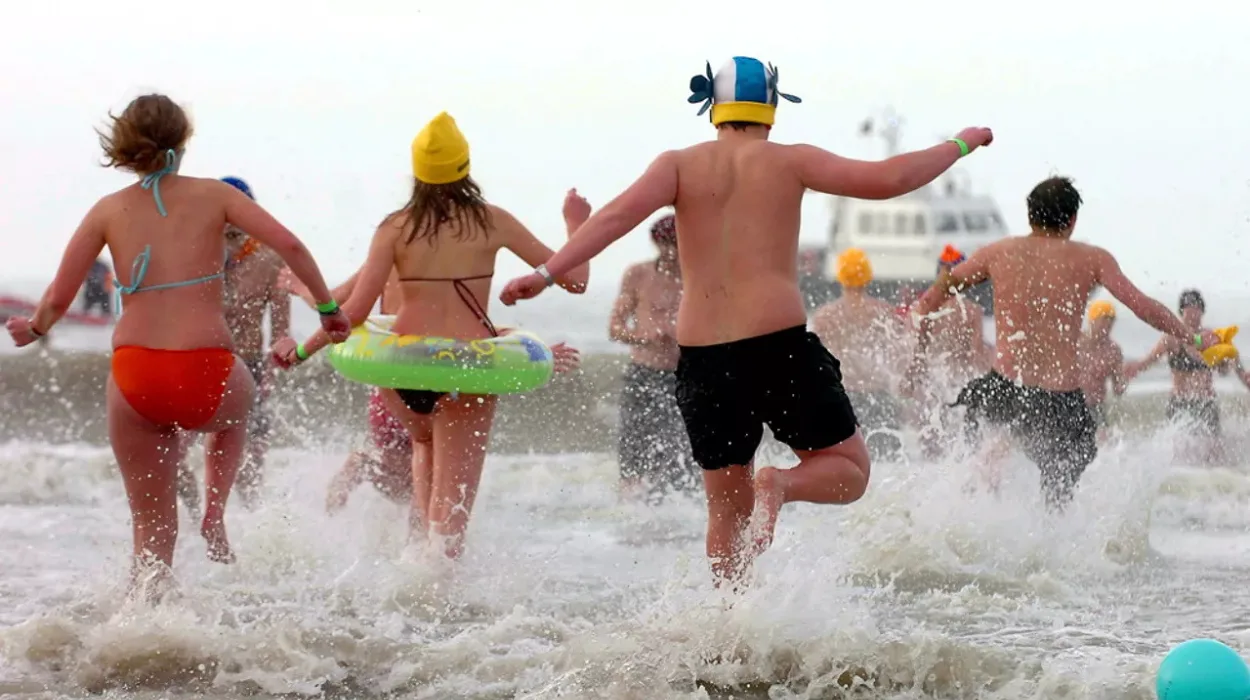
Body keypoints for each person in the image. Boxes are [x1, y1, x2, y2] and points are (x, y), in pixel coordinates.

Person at [499, 55, 995, 585]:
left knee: (725, 514)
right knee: (850, 473)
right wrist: (960, 143)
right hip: (776, 346)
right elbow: (889, 178)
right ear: (773, 107)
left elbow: (617, 218)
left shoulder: (677, 164)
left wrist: (549, 274)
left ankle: (730, 625)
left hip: (703, 359)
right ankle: (781, 485)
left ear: (713, 108)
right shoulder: (791, 161)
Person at [3, 94, 348, 591]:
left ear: (124, 150)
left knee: (151, 529)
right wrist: (328, 311)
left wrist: (33, 329)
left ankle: (142, 625)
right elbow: (290, 245)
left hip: (134, 375)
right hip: (207, 368)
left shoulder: (106, 210)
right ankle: (214, 513)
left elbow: (58, 296)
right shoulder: (217, 196)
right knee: (239, 409)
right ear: (184, 139)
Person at [271, 112, 590, 560]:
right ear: (465, 167)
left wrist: (301, 350)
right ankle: (438, 597)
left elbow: (351, 314)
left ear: (417, 173)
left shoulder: (394, 228)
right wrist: (577, 224)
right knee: (451, 523)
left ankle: (413, 575)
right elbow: (575, 277)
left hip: (403, 368)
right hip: (466, 368)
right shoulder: (492, 221)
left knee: (423, 448)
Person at [905, 177, 1219, 511]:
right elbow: (1142, 306)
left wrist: (919, 357)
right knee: (1058, 494)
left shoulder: (997, 253)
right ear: (1072, 220)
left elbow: (928, 303)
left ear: (1030, 216)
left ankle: (970, 529)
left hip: (1005, 387)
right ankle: (1046, 544)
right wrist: (1193, 337)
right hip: (1060, 398)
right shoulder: (1092, 258)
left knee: (983, 469)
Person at [607, 212, 697, 498]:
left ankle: (680, 516)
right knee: (633, 447)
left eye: (676, 243)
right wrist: (643, 337)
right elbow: (615, 327)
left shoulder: (701, 277)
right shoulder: (639, 275)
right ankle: (629, 512)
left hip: (688, 375)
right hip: (644, 371)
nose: (670, 251)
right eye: (664, 244)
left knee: (685, 454)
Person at [810, 248, 909, 461]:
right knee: (888, 464)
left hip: (842, 398)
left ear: (840, 274)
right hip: (878, 398)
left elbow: (814, 364)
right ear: (867, 275)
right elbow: (899, 357)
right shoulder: (884, 312)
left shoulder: (824, 316)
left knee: (842, 465)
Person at [1124, 289, 1246, 463]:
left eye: (1196, 309)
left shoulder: (1212, 338)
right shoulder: (1171, 339)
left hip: (1206, 402)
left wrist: (1238, 372)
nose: (1193, 314)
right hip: (1180, 402)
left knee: (1214, 455)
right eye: (1188, 309)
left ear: (1202, 311)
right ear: (1181, 312)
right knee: (1177, 454)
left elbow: (1226, 369)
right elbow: (1149, 360)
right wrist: (1134, 368)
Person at [906, 244, 995, 458]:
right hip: (957, 384)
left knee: (930, 450)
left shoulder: (920, 308)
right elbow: (976, 354)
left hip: (930, 386)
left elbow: (912, 352)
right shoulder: (971, 311)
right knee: (960, 450)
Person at [1078, 300, 1127, 440]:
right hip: (1071, 403)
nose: (1108, 325)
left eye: (1111, 322)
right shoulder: (1075, 341)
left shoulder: (1113, 351)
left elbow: (1118, 389)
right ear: (1092, 320)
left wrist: (1124, 379)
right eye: (1104, 320)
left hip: (1096, 407)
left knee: (1103, 447)